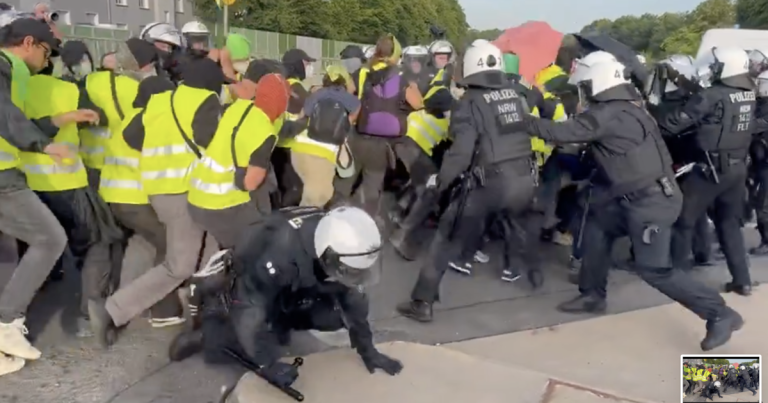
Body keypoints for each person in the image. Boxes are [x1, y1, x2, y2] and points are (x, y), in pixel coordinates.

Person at [517, 52, 742, 351]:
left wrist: (516, 118)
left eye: (584, 86)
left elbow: (560, 132)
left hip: (651, 203)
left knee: (655, 270)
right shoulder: (627, 108)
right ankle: (592, 295)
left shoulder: (609, 114)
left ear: (597, 83)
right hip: (632, 197)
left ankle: (719, 314)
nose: (581, 93)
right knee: (597, 226)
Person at [168, 206, 403, 387]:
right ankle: (206, 335)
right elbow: (248, 311)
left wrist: (367, 349)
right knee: (251, 324)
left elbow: (354, 301)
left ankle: (279, 323)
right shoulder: (278, 255)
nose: (356, 277)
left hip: (297, 278)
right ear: (329, 256)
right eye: (350, 272)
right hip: (249, 279)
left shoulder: (338, 239)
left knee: (332, 316)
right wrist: (266, 365)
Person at [396, 42, 542, 322]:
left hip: (490, 185)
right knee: (518, 227)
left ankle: (422, 302)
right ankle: (534, 277)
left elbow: (461, 152)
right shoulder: (513, 96)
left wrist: (441, 182)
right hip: (525, 179)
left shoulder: (469, 103)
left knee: (445, 237)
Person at [0, 17, 75, 375]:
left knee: (8, 256)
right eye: (47, 52)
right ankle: (6, 324)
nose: (48, 61)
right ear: (28, 43)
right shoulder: (4, 66)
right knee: (49, 238)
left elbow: (15, 120)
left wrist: (58, 123)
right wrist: (43, 144)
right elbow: (5, 117)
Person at [659, 47, 755, 296]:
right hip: (737, 169)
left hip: (709, 171)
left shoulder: (711, 95)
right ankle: (742, 281)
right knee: (729, 223)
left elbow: (673, 124)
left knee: (683, 221)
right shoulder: (748, 93)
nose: (713, 69)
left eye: (716, 65)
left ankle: (678, 279)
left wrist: (650, 116)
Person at [187, 60, 290, 248]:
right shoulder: (265, 132)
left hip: (195, 197)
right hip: (223, 204)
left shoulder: (237, 107)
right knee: (258, 245)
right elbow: (249, 183)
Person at [290, 64, 360, 207]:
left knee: (300, 190)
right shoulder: (351, 101)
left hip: (300, 148)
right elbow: (349, 123)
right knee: (317, 199)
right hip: (324, 152)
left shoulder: (316, 95)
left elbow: (302, 117)